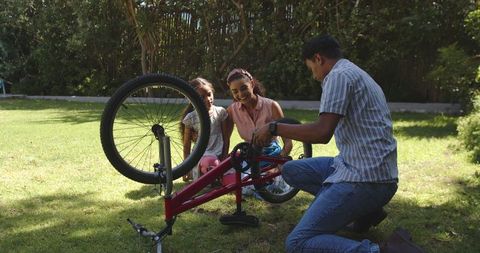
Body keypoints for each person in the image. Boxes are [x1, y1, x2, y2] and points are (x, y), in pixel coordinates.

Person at [253, 35, 424, 253]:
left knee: (297, 243)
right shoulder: (355, 72)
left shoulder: (338, 77)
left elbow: (322, 132)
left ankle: (382, 250)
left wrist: (273, 127)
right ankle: (366, 212)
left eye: (310, 68)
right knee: (291, 170)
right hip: (362, 169)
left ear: (318, 58)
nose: (314, 76)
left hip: (366, 179)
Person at [224, 68, 292, 195]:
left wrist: (277, 166)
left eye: (244, 88)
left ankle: (268, 182)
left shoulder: (271, 106)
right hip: (250, 156)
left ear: (252, 84)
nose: (240, 94)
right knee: (240, 183)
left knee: (268, 184)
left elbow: (288, 142)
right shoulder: (232, 111)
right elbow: (226, 139)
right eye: (235, 91)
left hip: (272, 155)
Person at [181, 77, 228, 181]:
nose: (208, 99)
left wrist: (224, 159)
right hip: (202, 155)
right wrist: (185, 168)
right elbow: (186, 145)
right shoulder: (191, 118)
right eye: (202, 97)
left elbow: (226, 138)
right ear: (192, 99)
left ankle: (214, 173)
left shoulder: (220, 112)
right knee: (211, 163)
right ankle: (208, 174)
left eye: (209, 94)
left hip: (218, 152)